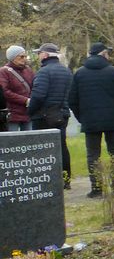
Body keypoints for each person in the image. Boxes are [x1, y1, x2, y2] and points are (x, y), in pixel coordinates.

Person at [68, 42, 114, 197]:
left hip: (90, 120)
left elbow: (72, 100)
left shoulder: (79, 74)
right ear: (103, 54)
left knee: (93, 155)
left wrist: (82, 118)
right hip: (113, 119)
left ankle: (96, 189)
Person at [28, 43, 73, 187]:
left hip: (43, 116)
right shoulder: (66, 71)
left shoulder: (43, 72)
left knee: (42, 149)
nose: (38, 56)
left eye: (39, 53)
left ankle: (46, 180)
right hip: (62, 114)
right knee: (62, 146)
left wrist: (30, 111)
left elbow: (38, 96)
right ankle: (65, 179)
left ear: (45, 55)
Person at [1, 45, 35, 130]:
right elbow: (5, 92)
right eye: (21, 56)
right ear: (13, 58)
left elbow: (34, 86)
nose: (24, 59)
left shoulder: (28, 70)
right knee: (12, 138)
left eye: (25, 56)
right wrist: (25, 100)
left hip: (27, 112)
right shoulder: (3, 72)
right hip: (12, 113)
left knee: (30, 137)